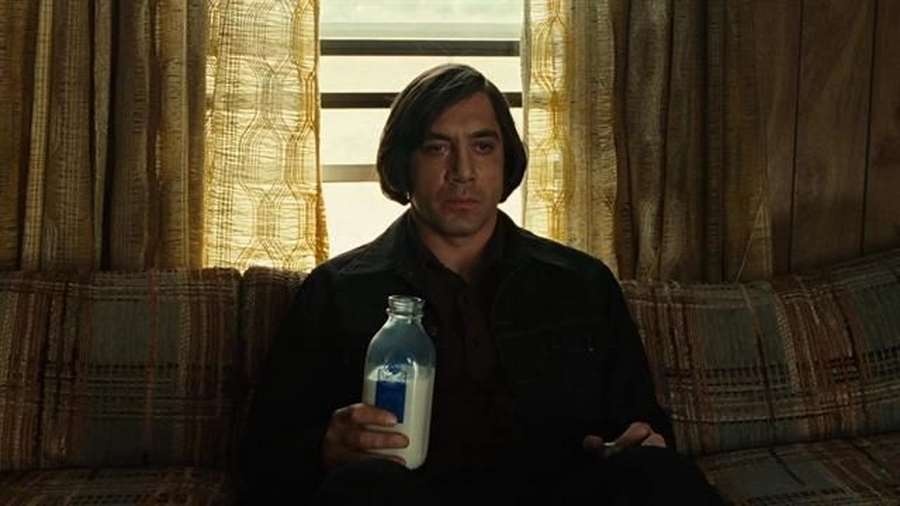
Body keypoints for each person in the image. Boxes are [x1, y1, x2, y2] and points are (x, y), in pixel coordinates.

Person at [239, 64, 723, 505]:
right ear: (404, 164)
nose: (463, 172)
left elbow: (645, 426)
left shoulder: (582, 283)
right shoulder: (336, 291)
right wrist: (326, 447)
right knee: (362, 488)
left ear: (505, 160)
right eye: (437, 148)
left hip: (559, 496)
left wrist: (636, 443)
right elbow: (263, 458)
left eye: (482, 146)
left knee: (659, 474)